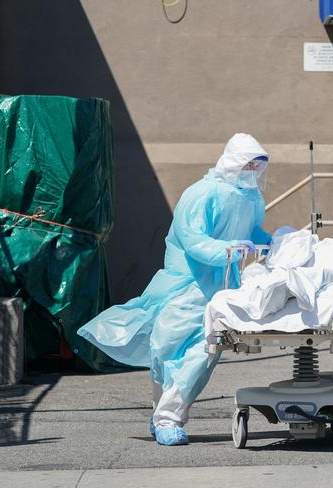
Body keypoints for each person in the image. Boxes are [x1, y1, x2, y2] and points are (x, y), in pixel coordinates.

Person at [79, 133, 290, 445]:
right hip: (186, 286)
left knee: (203, 353)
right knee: (166, 350)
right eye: (248, 165)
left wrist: (273, 240)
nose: (253, 172)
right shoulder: (203, 194)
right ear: (233, 161)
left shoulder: (251, 199)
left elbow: (252, 231)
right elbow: (191, 239)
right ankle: (161, 414)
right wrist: (226, 249)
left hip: (222, 290)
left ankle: (169, 417)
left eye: (257, 166)